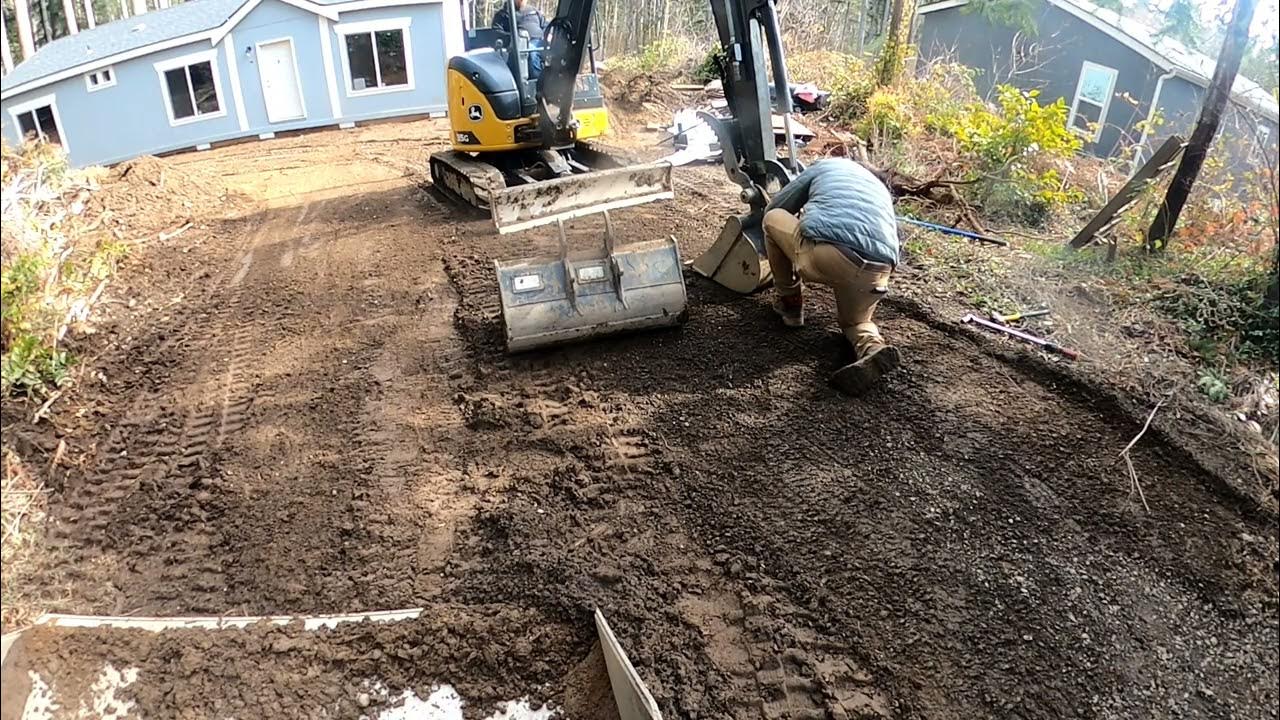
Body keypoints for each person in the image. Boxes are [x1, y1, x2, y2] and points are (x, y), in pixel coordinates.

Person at [762, 158, 901, 395]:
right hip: (878, 272)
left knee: (772, 218)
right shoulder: (878, 189)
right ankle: (872, 347)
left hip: (831, 257)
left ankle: (790, 303)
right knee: (856, 323)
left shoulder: (826, 166)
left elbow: (778, 205)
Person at [493, 0, 547, 78]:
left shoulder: (534, 11)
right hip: (519, 44)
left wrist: (548, 35)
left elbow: (545, 25)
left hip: (539, 42)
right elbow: (497, 32)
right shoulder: (502, 14)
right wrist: (515, 38)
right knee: (530, 50)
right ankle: (538, 79)